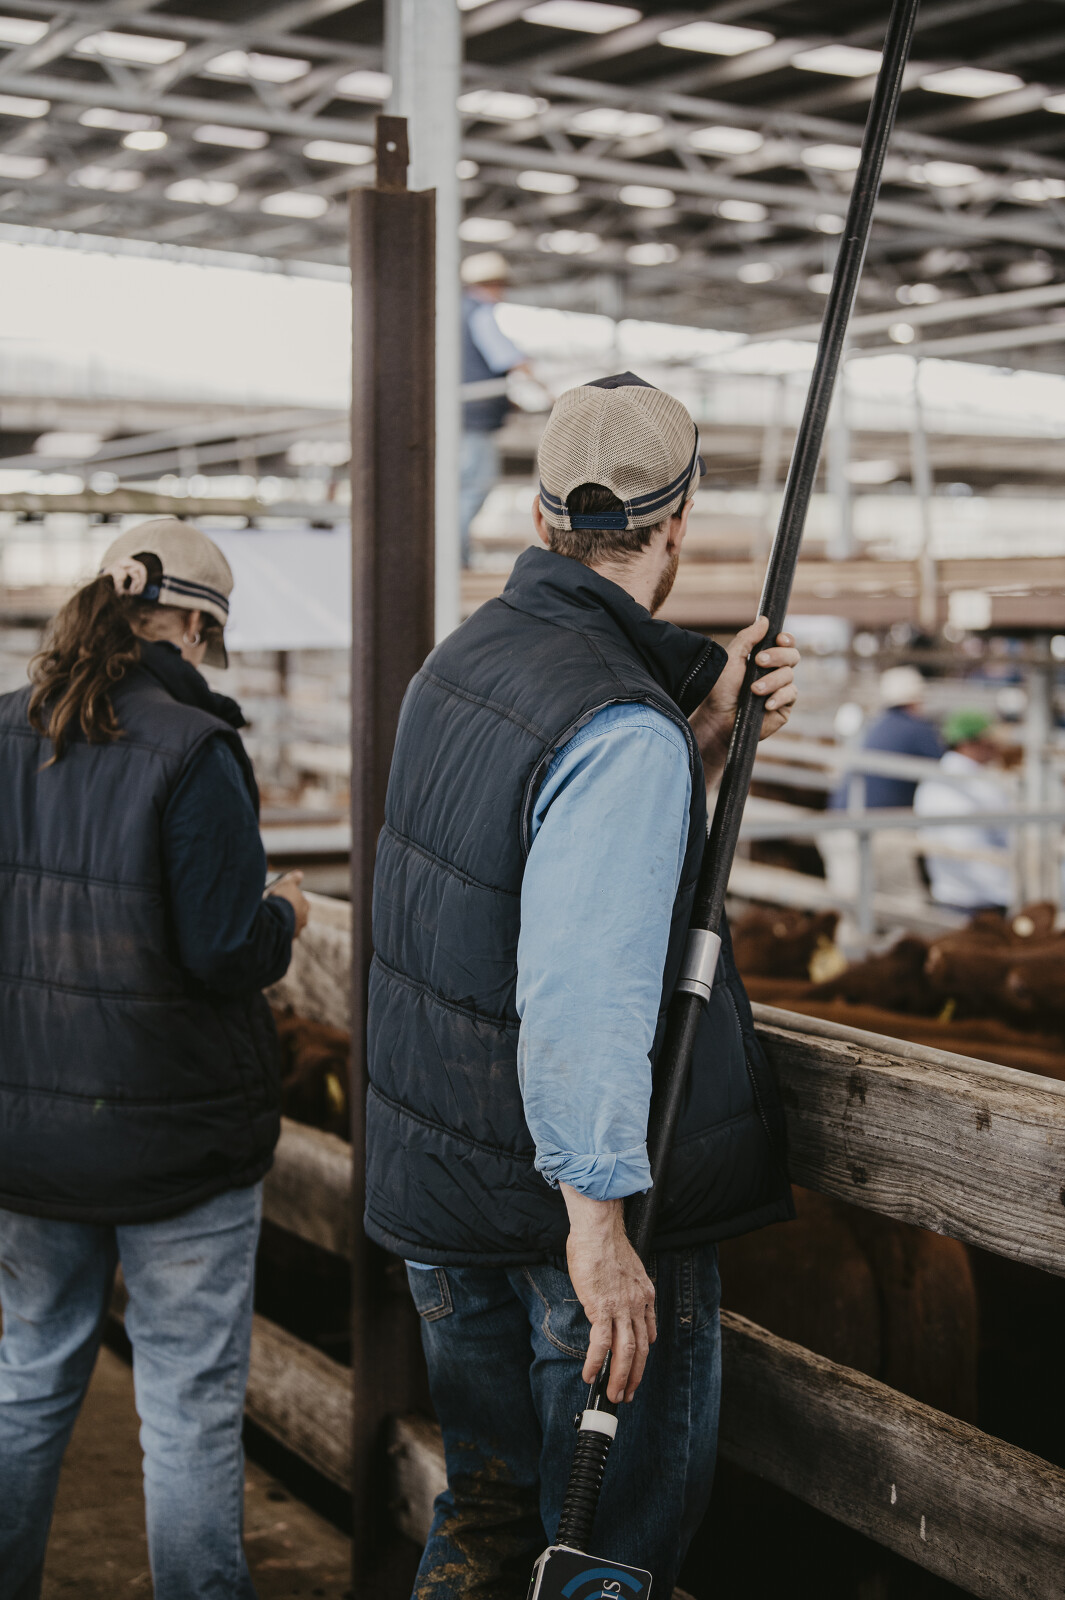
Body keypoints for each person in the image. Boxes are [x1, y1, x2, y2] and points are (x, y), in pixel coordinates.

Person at [366, 373, 800, 1597]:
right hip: (569, 1229)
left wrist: (696, 738)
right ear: (680, 522)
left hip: (447, 1201)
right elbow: (582, 991)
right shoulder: (621, 729)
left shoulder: (460, 662)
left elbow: (513, 881)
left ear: (543, 514)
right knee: (604, 1562)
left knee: (489, 1519)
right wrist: (600, 1232)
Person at [0, 518, 310, 1600]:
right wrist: (283, 914)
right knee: (185, 1407)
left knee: (28, 1376)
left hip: (27, 1135)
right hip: (176, 1139)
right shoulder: (194, 748)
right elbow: (223, 949)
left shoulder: (4, 729)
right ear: (187, 623)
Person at [822, 665, 944, 922]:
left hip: (839, 825)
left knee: (850, 911)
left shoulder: (874, 725)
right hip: (881, 829)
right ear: (916, 699)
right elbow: (948, 769)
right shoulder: (916, 729)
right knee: (903, 903)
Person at [460, 249, 529, 567]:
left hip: (461, 416)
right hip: (474, 419)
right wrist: (550, 394)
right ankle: (455, 557)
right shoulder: (481, 314)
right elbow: (510, 359)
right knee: (474, 488)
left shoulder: (455, 313)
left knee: (462, 488)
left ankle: (454, 555)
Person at [915, 709, 1014, 914]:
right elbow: (1010, 834)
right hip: (990, 896)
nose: (995, 747)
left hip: (948, 892)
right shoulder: (982, 785)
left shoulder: (931, 781)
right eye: (988, 741)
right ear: (968, 743)